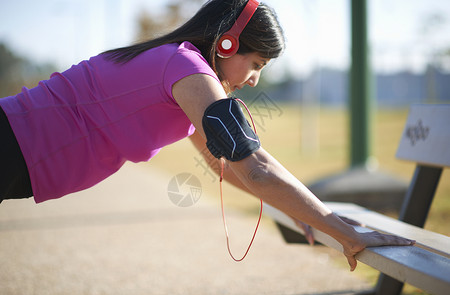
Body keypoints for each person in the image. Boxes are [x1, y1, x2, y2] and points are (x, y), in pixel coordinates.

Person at [0, 0, 414, 271]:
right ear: (228, 43)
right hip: (12, 144)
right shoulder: (184, 67)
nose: (254, 80)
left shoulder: (179, 68)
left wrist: (298, 211)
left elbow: (224, 164)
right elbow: (256, 166)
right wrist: (344, 231)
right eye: (257, 63)